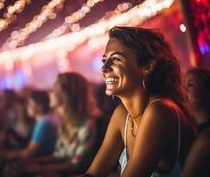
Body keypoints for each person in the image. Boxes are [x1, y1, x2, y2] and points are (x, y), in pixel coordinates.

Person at [83, 26, 195, 177]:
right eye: (105, 60)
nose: (104, 68)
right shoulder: (122, 115)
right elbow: (92, 175)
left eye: (115, 59)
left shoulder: (160, 111)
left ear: (147, 67)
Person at [17, 72, 98, 176]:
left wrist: (38, 168)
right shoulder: (63, 124)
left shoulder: (86, 125)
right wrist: (32, 162)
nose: (48, 93)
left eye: (53, 90)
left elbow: (77, 165)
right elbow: (59, 156)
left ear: (67, 94)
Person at [183, 67, 210, 177]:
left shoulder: (206, 136)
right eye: (183, 84)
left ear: (206, 90)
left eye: (191, 84)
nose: (184, 89)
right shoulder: (187, 128)